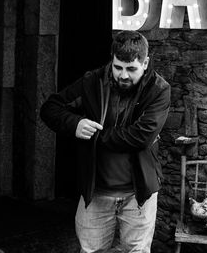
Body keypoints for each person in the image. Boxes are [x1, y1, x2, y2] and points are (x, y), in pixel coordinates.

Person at [41, 30, 170, 253]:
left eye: (131, 69)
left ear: (145, 63)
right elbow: (50, 108)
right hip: (96, 193)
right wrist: (75, 124)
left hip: (138, 195)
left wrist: (94, 137)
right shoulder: (92, 82)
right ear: (112, 60)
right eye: (118, 67)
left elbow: (140, 138)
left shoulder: (158, 90)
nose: (123, 75)